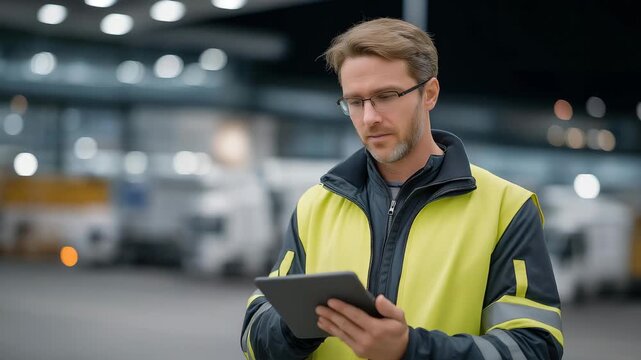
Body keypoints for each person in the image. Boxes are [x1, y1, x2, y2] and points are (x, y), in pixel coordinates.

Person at [241, 18, 563, 360]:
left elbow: (533, 347)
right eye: (355, 101)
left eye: (386, 96)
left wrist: (411, 350)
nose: (369, 118)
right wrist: (297, 328)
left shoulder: (506, 208)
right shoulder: (315, 206)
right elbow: (252, 337)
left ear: (430, 94)